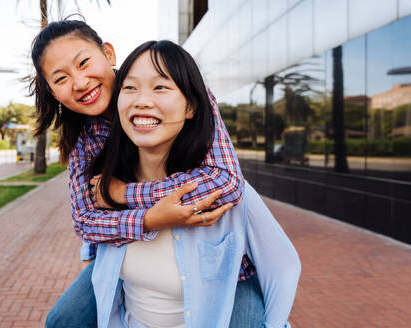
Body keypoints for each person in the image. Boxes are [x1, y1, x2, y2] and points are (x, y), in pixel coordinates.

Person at [30, 19, 273, 328]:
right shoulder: (86, 135)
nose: (79, 82)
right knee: (63, 321)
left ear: (108, 54)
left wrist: (118, 193)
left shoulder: (175, 87)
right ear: (51, 90)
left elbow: (224, 182)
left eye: (84, 62)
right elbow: (85, 219)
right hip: (131, 251)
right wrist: (150, 219)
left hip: (221, 258)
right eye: (61, 78)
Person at [88, 40, 301, 328]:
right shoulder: (105, 191)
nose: (142, 100)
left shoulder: (223, 193)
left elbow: (284, 267)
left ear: (191, 107)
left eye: (160, 87)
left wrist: (273, 325)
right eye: (130, 87)